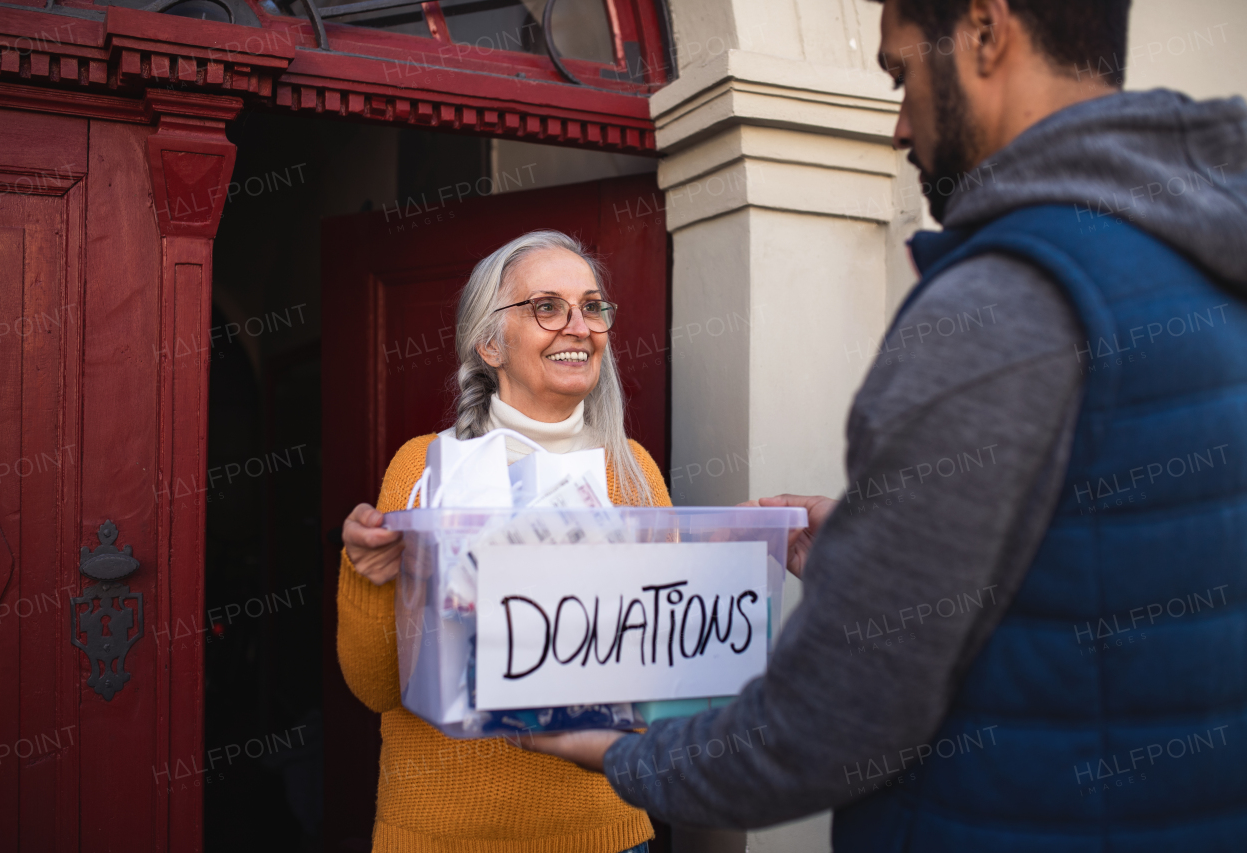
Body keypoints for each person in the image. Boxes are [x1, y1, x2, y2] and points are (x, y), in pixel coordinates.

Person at [525, 0, 1247, 849]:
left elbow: (823, 727)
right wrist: (882, 547)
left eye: (900, 74)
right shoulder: (1206, 258)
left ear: (985, 30)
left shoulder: (996, 305)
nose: (899, 125)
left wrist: (624, 755)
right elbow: (1113, 559)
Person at [336, 230, 669, 853]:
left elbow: (663, 672)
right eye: (548, 306)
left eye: (591, 307)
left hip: (604, 833)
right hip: (439, 835)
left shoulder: (633, 473)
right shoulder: (423, 468)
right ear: (490, 342)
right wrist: (366, 574)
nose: (578, 326)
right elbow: (376, 687)